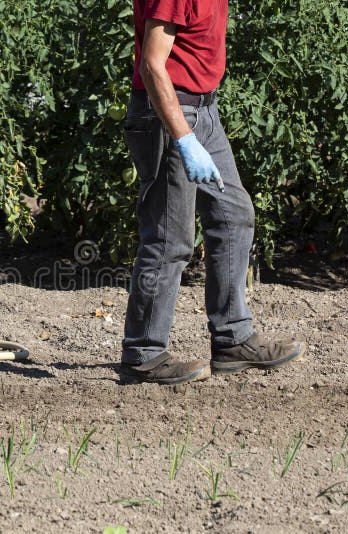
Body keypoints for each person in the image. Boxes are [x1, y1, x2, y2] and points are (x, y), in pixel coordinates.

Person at [120, 0, 305, 385]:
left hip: (205, 109)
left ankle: (233, 340)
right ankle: (144, 354)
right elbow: (153, 64)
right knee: (170, 238)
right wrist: (183, 139)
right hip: (168, 113)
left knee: (233, 215)